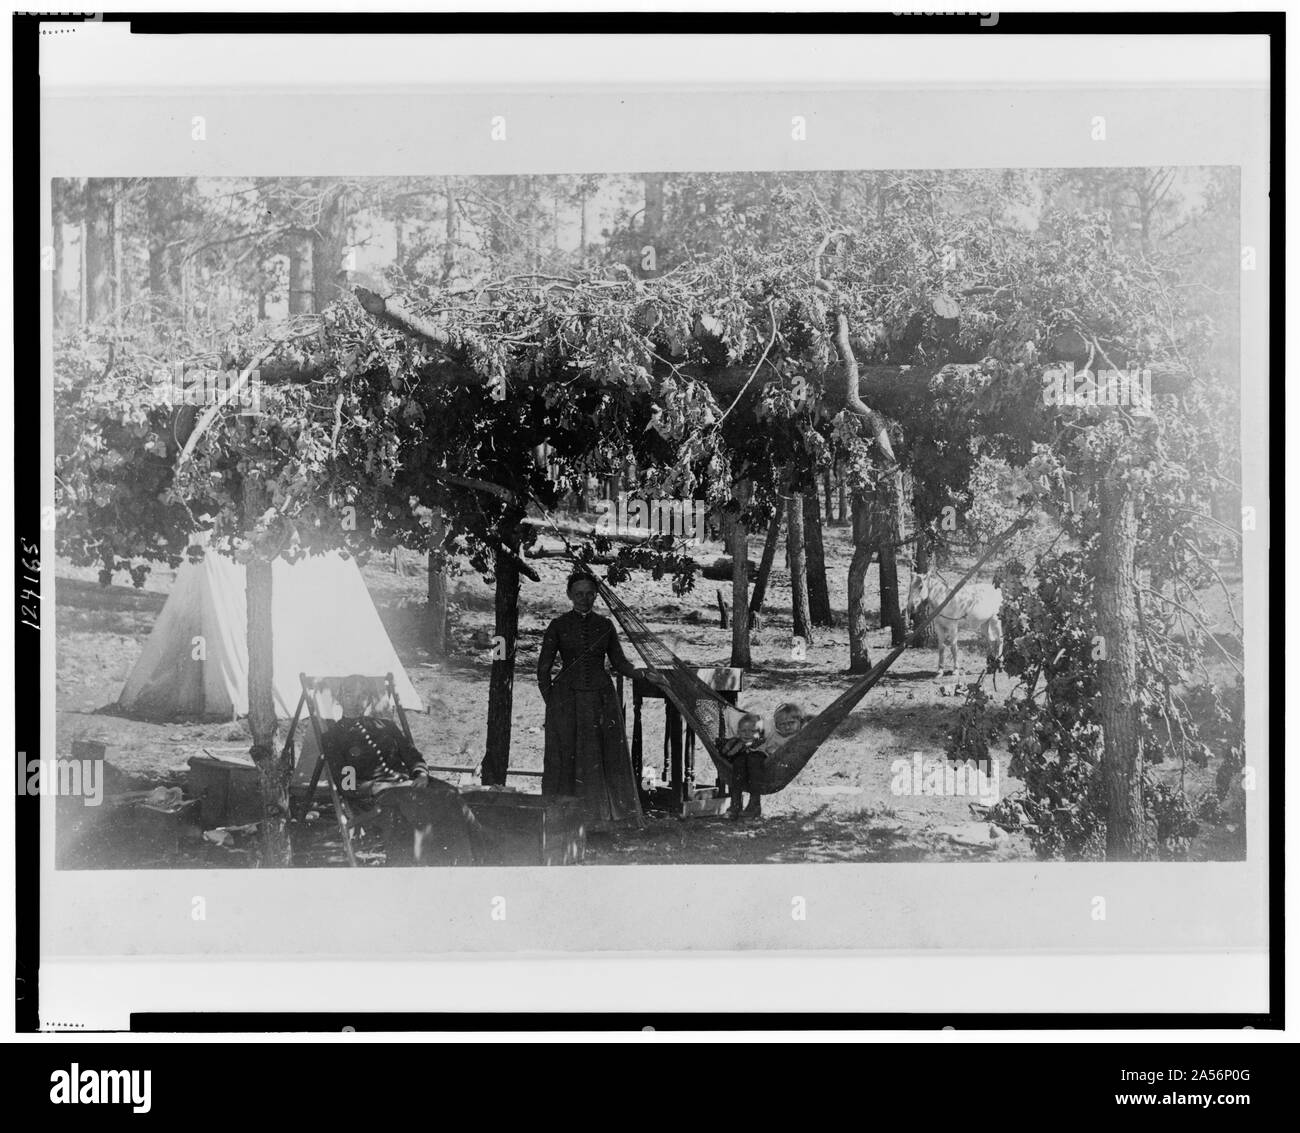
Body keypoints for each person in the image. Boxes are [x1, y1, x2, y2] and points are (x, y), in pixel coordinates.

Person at [537, 570, 663, 829]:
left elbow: (620, 663)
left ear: (596, 595)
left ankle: (603, 819)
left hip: (601, 701)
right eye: (579, 594)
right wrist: (553, 702)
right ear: (569, 595)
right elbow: (542, 670)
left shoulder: (605, 626)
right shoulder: (557, 625)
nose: (584, 599)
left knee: (603, 756)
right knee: (566, 755)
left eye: (589, 594)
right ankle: (564, 818)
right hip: (566, 702)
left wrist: (642, 674)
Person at [319, 674, 488, 865]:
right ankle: (437, 863)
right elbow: (348, 784)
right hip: (374, 797)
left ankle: (473, 857)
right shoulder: (334, 737)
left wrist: (421, 774)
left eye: (363, 695)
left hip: (410, 785)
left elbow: (412, 756)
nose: (357, 700)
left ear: (369, 699)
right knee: (422, 805)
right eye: (350, 694)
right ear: (340, 697)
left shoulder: (387, 726)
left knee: (449, 793)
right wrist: (385, 787)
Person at [719, 712, 767, 820]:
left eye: (752, 731)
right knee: (739, 761)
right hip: (740, 775)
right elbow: (725, 752)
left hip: (757, 775)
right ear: (738, 732)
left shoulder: (761, 744)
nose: (747, 734)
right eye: (743, 731)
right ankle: (735, 805)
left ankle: (754, 805)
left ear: (759, 733)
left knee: (755, 758)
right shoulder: (736, 743)